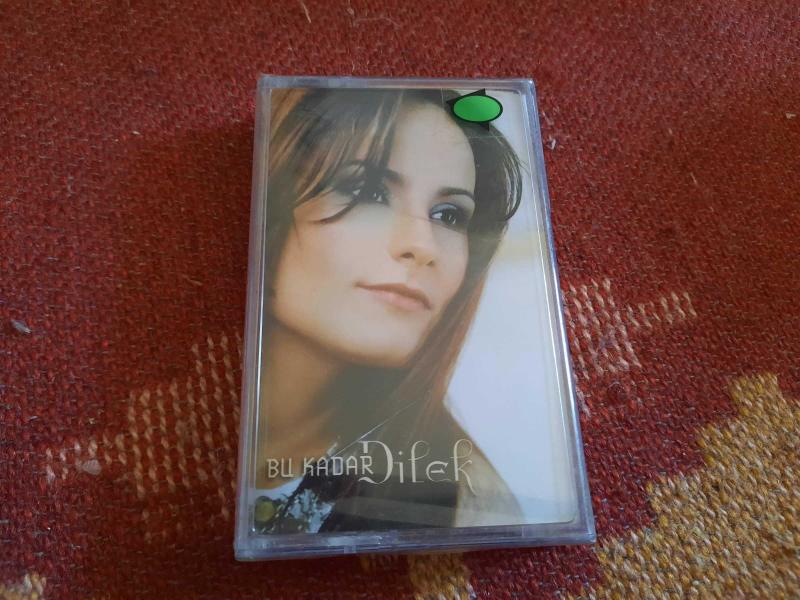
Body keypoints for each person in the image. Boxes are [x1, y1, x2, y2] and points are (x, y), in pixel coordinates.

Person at [254, 87, 524, 534]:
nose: (423, 245)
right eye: (368, 191)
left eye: (449, 216)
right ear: (271, 206)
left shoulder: (469, 505)